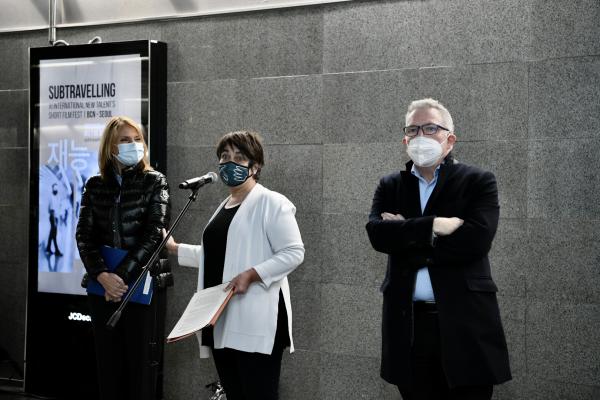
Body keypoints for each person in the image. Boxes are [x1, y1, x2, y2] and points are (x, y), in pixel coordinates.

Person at [365, 99, 511, 400]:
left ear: (449, 139)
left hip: (465, 326)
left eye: (431, 128)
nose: (421, 136)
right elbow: (378, 235)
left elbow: (476, 242)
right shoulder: (390, 185)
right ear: (405, 138)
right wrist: (434, 225)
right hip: (409, 327)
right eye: (413, 129)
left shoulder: (478, 181)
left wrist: (406, 233)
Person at [165, 130, 304, 400]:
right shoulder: (225, 205)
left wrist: (252, 275)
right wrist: (174, 248)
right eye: (224, 157)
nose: (230, 163)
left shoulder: (271, 203)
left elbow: (294, 252)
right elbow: (217, 255)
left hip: (254, 321)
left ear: (256, 165)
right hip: (221, 321)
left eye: (239, 158)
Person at [76, 116, 170, 400]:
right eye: (125, 140)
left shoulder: (155, 181)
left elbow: (155, 233)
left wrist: (122, 278)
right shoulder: (94, 185)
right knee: (109, 366)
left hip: (140, 287)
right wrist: (103, 276)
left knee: (140, 367)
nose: (133, 145)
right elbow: (84, 236)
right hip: (102, 288)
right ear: (110, 147)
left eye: (137, 139)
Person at [45, 183, 62, 257]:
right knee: (54, 235)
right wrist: (54, 221)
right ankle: (57, 250)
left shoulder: (56, 198)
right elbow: (52, 210)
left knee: (52, 234)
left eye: (57, 188)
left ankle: (48, 248)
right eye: (55, 188)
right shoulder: (51, 197)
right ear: (52, 189)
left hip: (56, 218)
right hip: (53, 218)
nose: (56, 190)